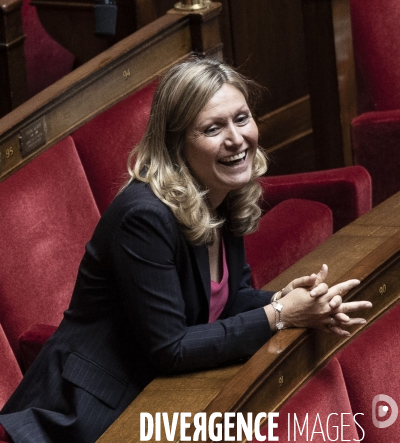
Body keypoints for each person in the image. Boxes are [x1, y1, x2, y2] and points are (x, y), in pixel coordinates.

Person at [0, 58, 372, 442]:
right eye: (213, 128)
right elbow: (170, 348)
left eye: (241, 118)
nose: (236, 138)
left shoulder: (221, 188)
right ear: (176, 143)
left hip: (157, 397)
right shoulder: (144, 217)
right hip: (84, 415)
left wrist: (289, 299)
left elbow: (227, 298)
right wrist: (279, 315)